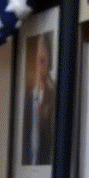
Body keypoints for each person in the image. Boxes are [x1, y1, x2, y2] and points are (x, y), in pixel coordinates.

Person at [21, 33, 56, 166]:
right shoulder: (24, 98)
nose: (39, 68)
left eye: (42, 60)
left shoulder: (54, 96)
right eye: (34, 62)